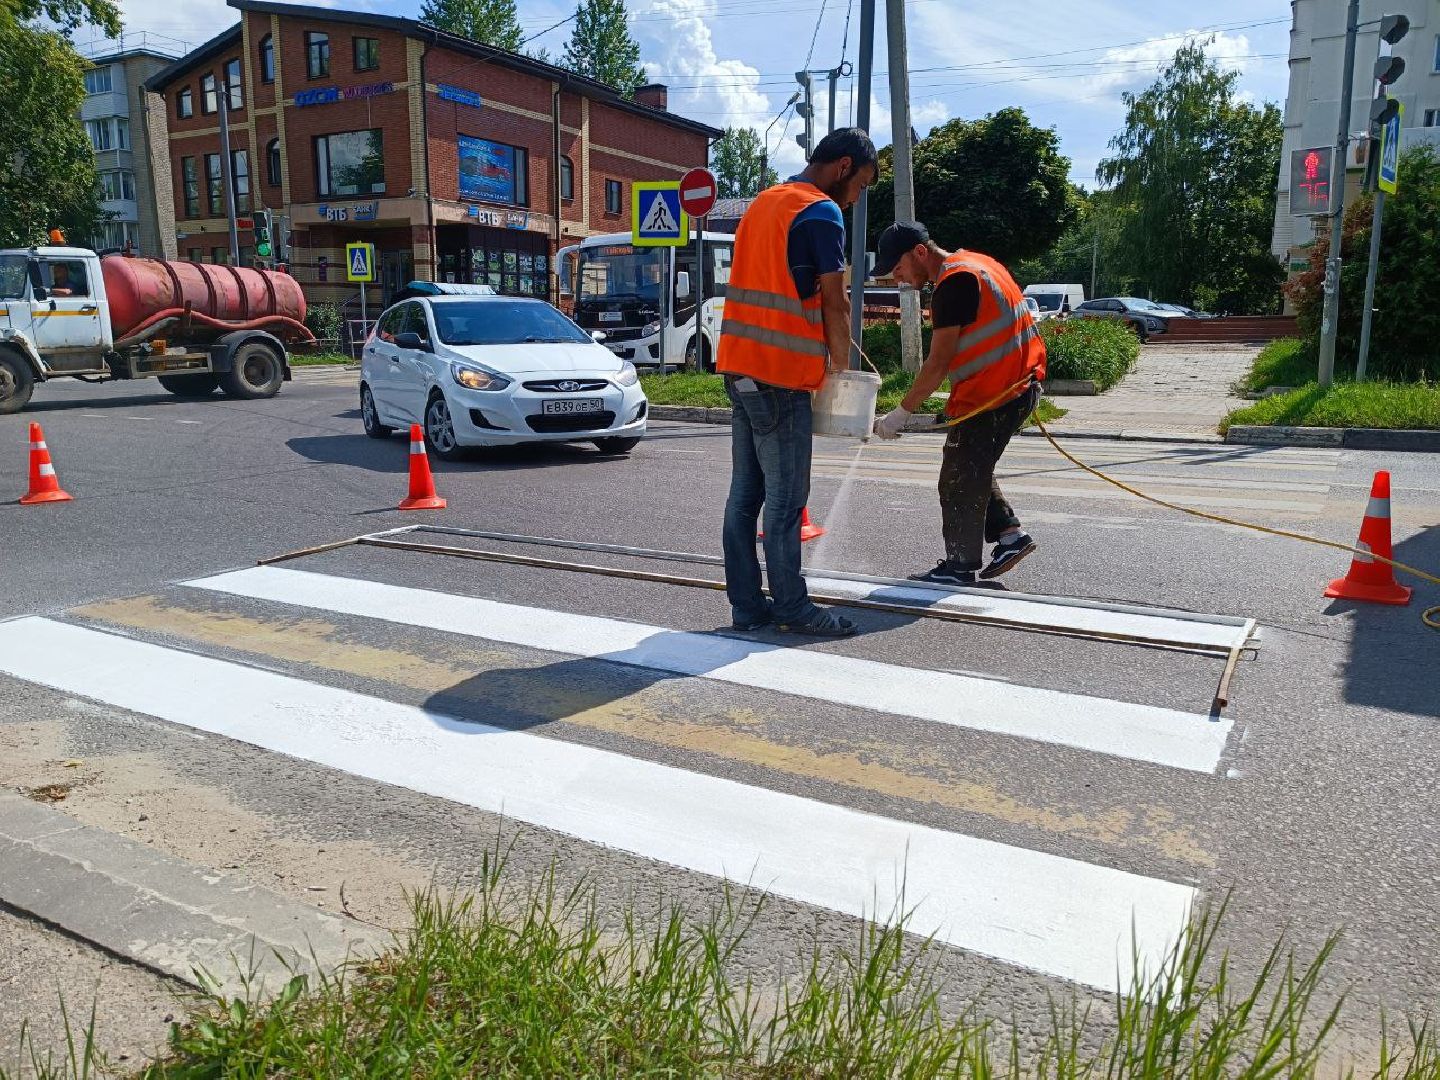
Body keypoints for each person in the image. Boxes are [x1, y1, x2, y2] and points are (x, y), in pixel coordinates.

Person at [717, 128, 878, 637]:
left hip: (739, 366)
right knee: (787, 501)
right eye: (862, 186)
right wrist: (840, 368)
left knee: (745, 497)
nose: (856, 199)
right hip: (782, 376)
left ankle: (747, 607)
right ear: (844, 167)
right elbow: (835, 301)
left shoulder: (764, 203)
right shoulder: (820, 211)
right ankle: (793, 608)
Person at [871, 222, 1046, 585]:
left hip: (994, 394)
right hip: (1016, 386)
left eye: (899, 267)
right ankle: (1010, 537)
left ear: (920, 252)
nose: (899, 277)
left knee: (957, 478)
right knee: (971, 466)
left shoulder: (953, 285)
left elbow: (937, 364)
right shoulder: (977, 263)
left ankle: (960, 567)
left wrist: (901, 413)